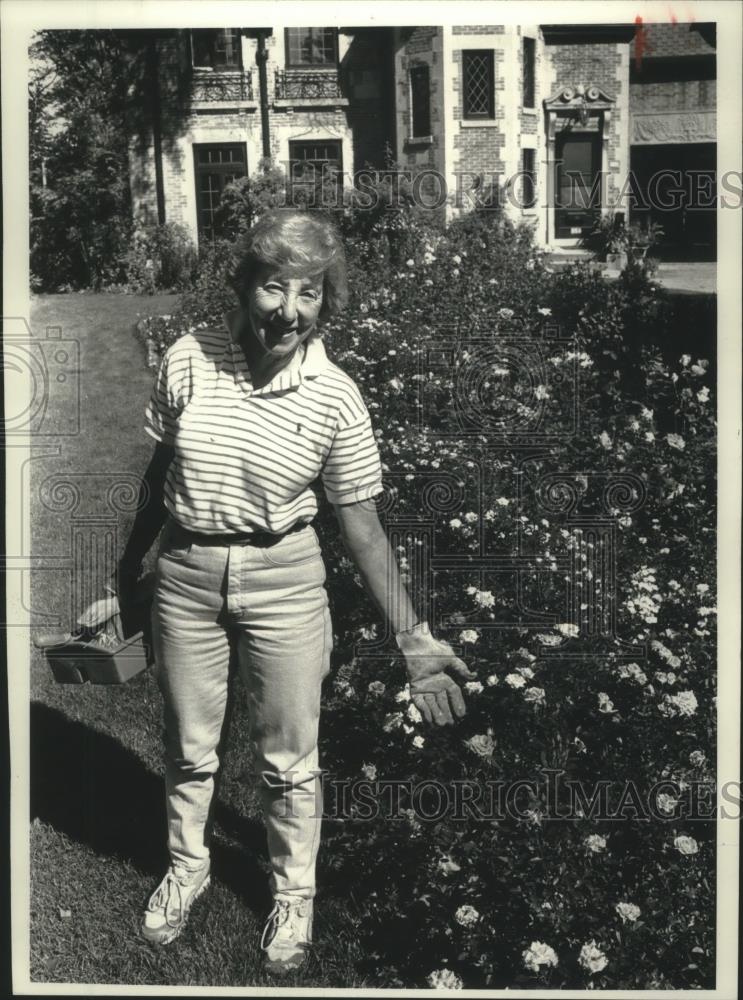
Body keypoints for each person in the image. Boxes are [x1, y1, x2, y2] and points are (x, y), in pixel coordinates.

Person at [78, 209, 475, 975]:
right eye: (272, 288)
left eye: (310, 293)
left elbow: (361, 527)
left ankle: (293, 893)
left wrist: (413, 638)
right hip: (187, 576)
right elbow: (158, 484)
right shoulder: (189, 360)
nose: (289, 311)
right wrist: (123, 578)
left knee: (289, 758)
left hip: (286, 581)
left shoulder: (334, 395)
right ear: (242, 286)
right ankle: (187, 867)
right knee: (189, 746)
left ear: (327, 302)